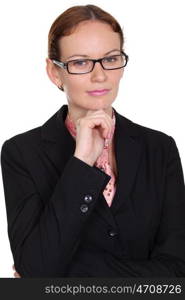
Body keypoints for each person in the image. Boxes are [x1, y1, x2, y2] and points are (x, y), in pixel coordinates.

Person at [1, 4, 185, 278]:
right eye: (80, 62)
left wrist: (67, 273)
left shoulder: (160, 149)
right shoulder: (21, 153)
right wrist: (81, 163)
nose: (99, 76)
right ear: (55, 72)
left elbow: (177, 270)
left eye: (110, 59)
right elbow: (36, 272)